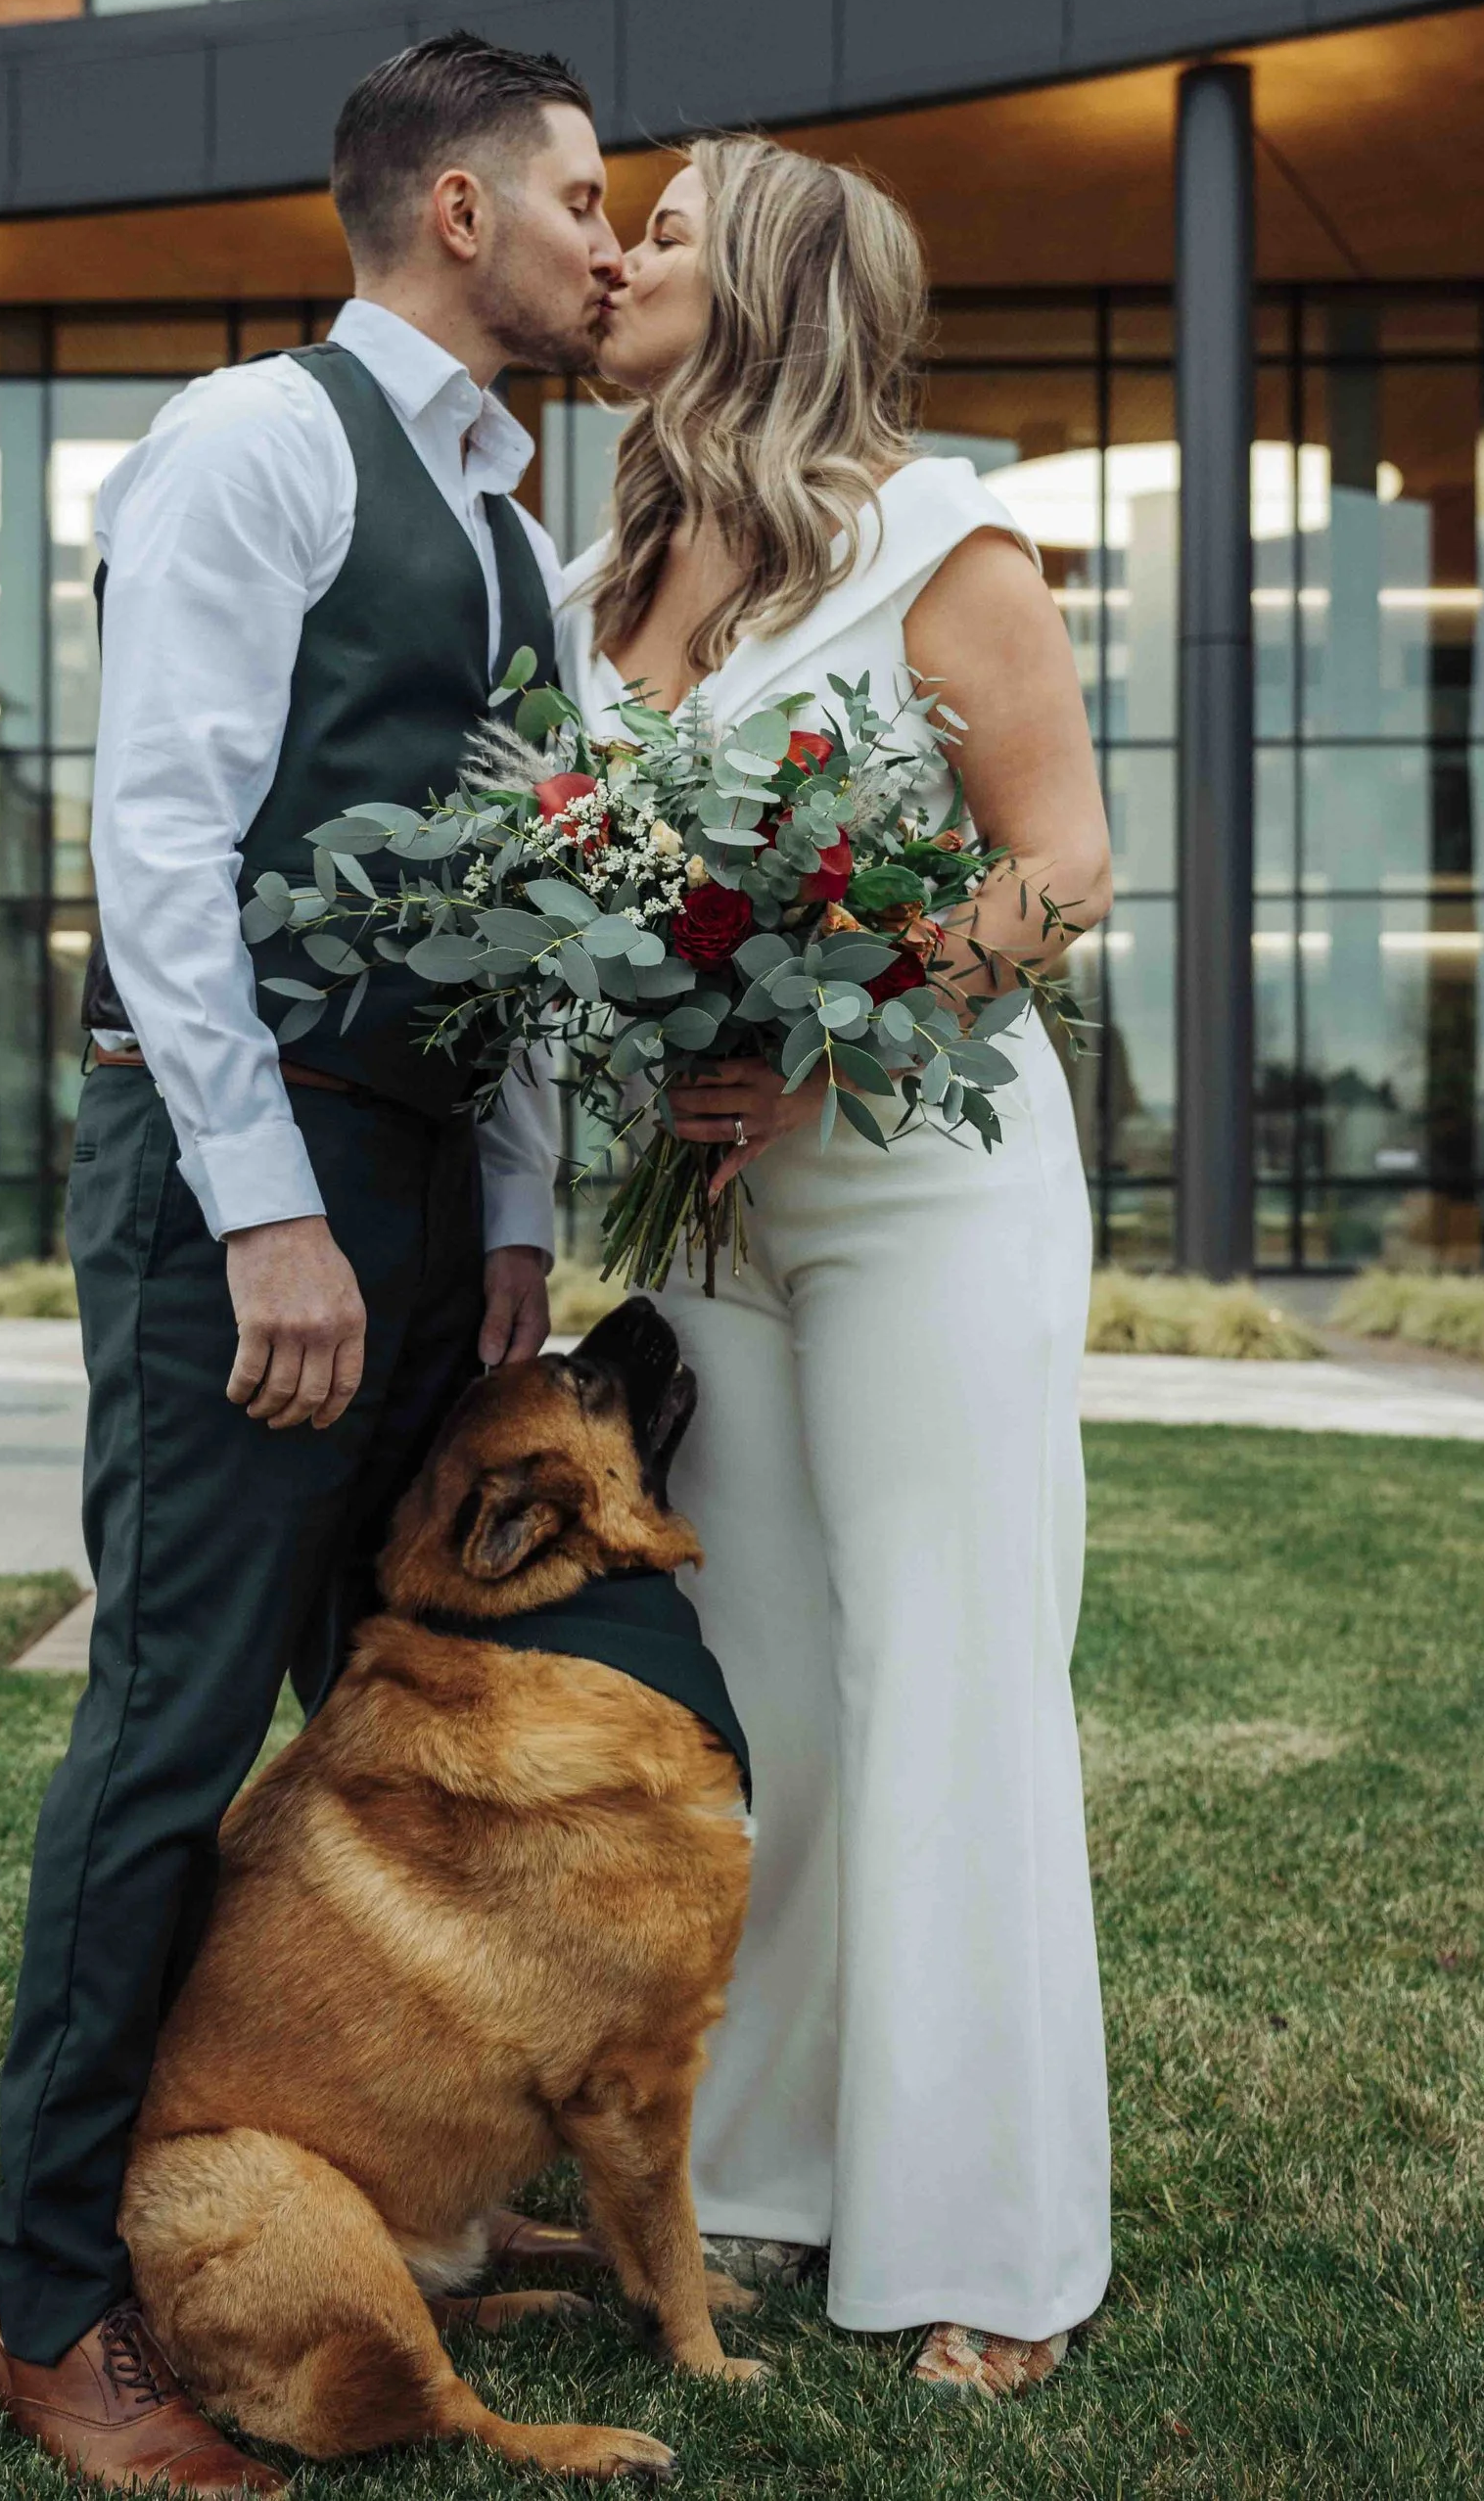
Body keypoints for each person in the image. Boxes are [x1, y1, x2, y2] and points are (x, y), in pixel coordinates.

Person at [0, 32, 622, 2491]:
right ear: (452, 210)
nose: (604, 236)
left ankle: (318, 2162)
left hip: (431, 1193)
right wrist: (262, 1206)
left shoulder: (507, 528)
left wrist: (521, 1219)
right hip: (244, 1178)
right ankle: (55, 2300)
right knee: (169, 1733)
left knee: (372, 1727)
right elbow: (159, 837)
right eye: (579, 196)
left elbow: (538, 895)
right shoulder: (251, 440)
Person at [560, 132, 1114, 2400]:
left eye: (666, 238)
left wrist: (835, 1036)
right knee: (768, 1701)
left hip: (919, 1189)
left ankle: (989, 2243)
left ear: (773, 288)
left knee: (945, 1679)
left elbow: (1064, 864)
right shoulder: (601, 566)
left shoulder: (932, 537)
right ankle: (771, 2181)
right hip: (703, 1212)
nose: (614, 261)